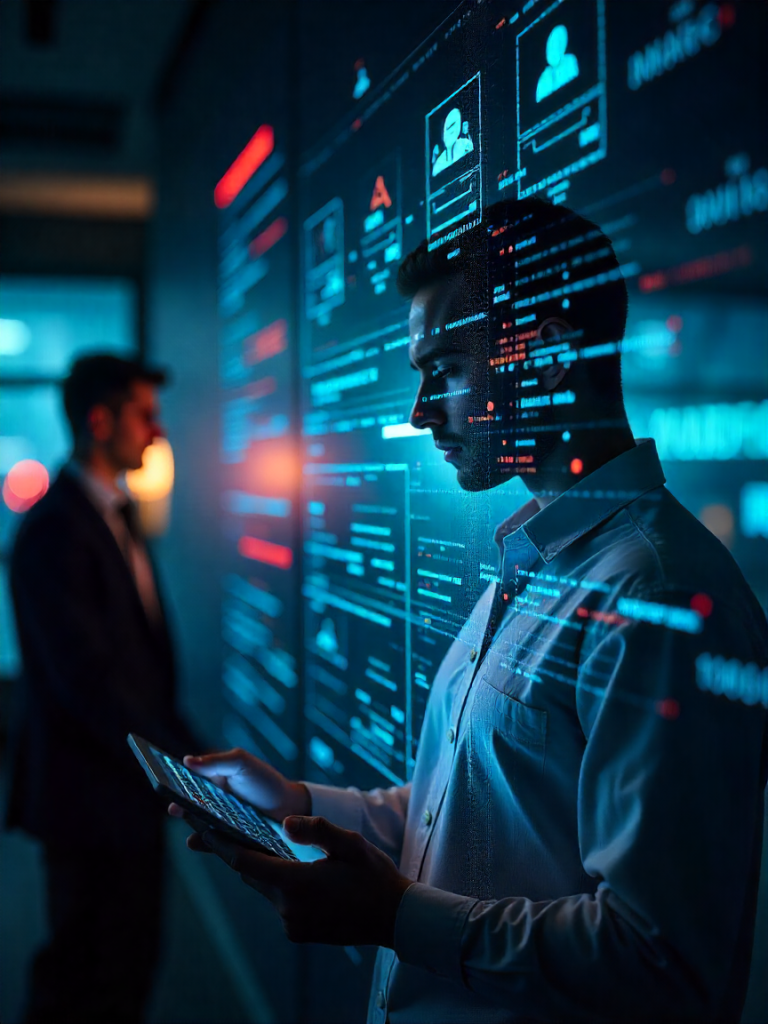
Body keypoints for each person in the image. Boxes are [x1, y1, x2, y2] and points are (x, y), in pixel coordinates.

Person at [172, 199, 768, 1023]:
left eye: (446, 368)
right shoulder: (536, 561)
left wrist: (393, 917)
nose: (421, 412)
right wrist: (302, 806)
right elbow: (481, 819)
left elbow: (660, 961)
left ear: (554, 356)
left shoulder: (654, 596)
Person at [6, 354, 200, 1024]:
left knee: (124, 965)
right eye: (145, 415)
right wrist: (185, 770)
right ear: (99, 420)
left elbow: (135, 668)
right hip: (90, 802)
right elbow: (89, 683)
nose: (157, 432)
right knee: (84, 977)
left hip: (123, 791)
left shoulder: (111, 515)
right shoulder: (56, 530)